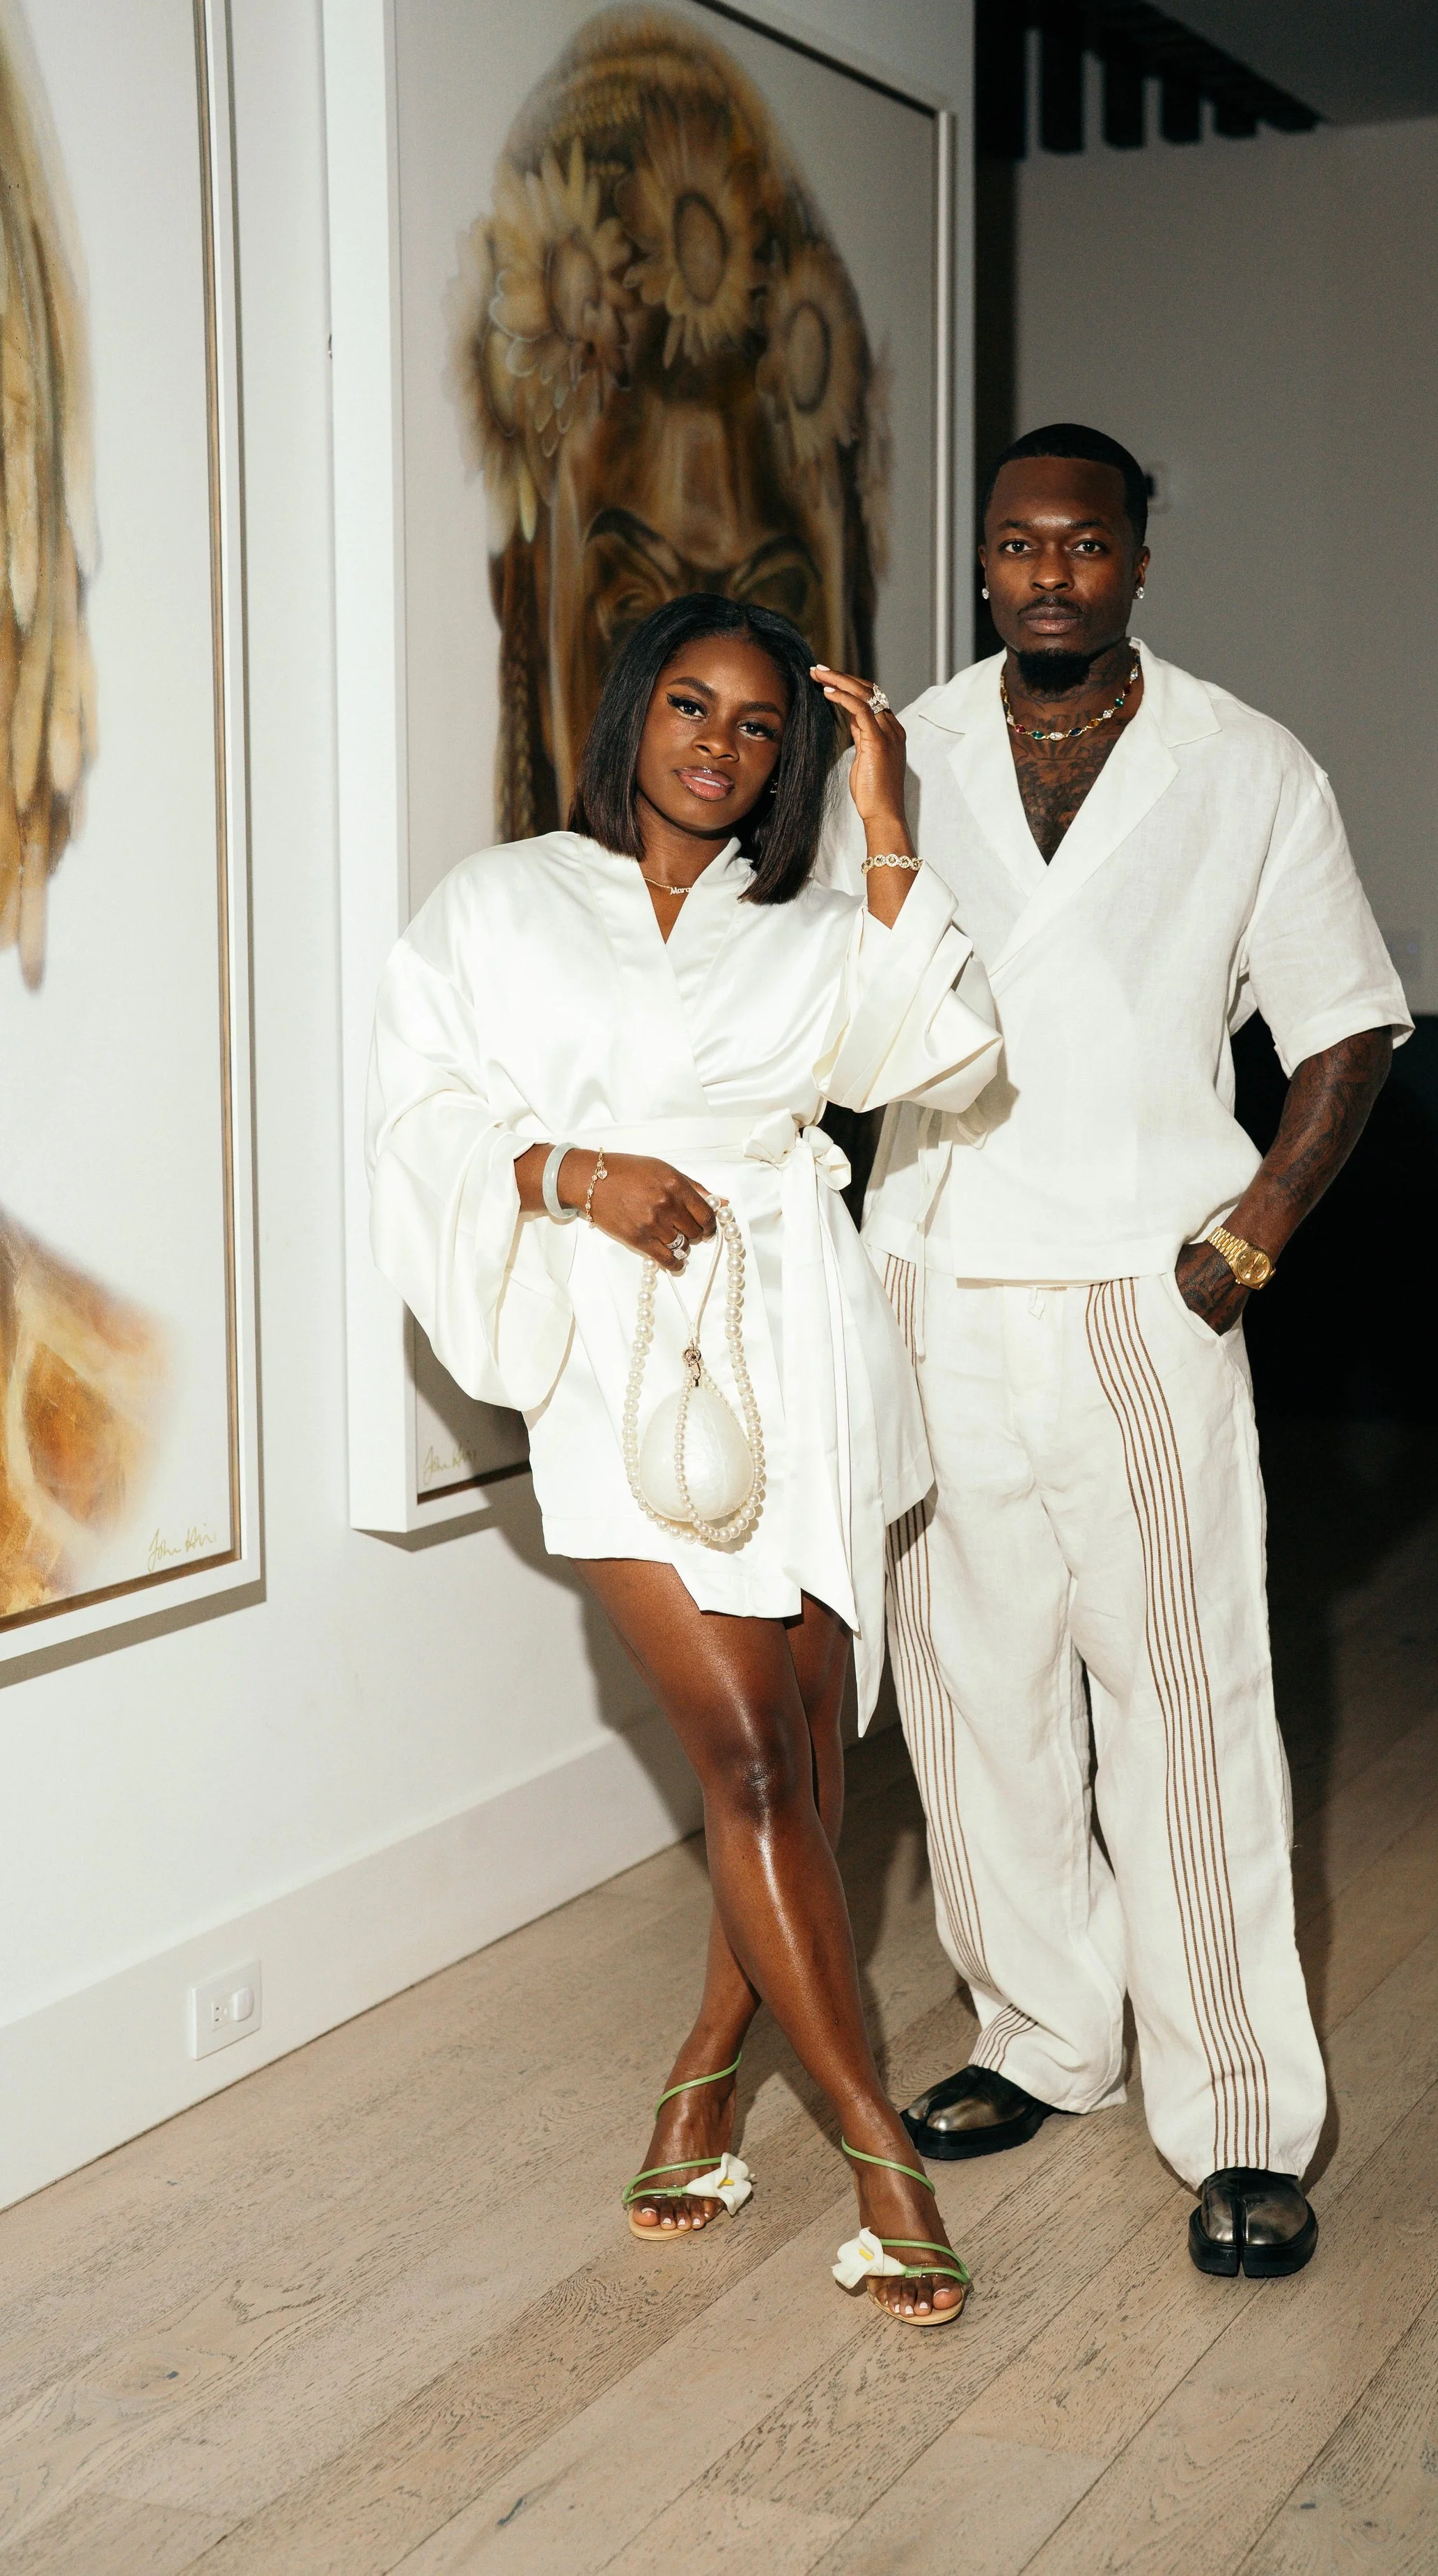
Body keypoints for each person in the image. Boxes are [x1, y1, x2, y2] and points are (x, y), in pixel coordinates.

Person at [368, 593, 1000, 2325]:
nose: (716, 749)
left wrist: (884, 825)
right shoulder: (497, 903)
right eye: (689, 709)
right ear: (632, 709)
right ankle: (880, 2159)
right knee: (740, 1748)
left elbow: (930, 1054)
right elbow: (415, 1114)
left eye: (754, 728)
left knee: (798, 1754)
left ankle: (708, 2069)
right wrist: (576, 1174)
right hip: (609, 1351)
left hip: (794, 1334)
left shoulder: (795, 920)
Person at [822, 425, 1412, 2279]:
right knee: (972, 1692)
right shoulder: (895, 751)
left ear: (1139, 558)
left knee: (1183, 1697)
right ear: (982, 563)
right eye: (1014, 546)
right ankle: (1041, 2032)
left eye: (1082, 544)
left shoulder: (1244, 766)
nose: (1047, 574)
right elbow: (845, 1013)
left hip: (1147, 1292)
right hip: (938, 1273)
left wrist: (1245, 1240)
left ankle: (1235, 2111)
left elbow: (1347, 1027)